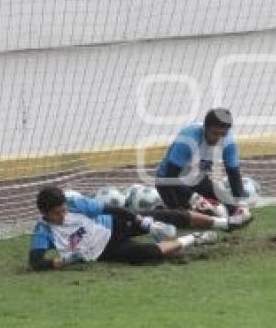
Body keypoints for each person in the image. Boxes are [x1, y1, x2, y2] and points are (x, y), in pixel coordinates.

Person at [28, 187, 217, 271]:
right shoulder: (43, 231)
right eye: (58, 213)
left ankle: (222, 222)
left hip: (113, 225)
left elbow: (113, 209)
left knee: (168, 216)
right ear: (45, 212)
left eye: (64, 210)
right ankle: (195, 238)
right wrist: (62, 261)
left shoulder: (76, 204)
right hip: (106, 251)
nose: (63, 215)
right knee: (151, 254)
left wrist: (142, 221)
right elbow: (35, 262)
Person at [155, 108, 252, 227]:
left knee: (231, 207)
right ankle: (162, 209)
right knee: (184, 218)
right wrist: (195, 198)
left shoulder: (228, 142)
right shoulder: (188, 139)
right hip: (168, 182)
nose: (218, 138)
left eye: (223, 134)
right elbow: (171, 176)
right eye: (214, 133)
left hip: (197, 179)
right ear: (205, 128)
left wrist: (241, 204)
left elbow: (234, 174)